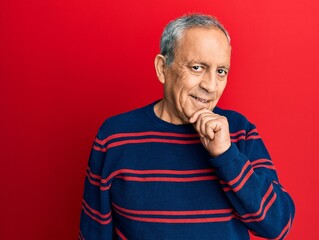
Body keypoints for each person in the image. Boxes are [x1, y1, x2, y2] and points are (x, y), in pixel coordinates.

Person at [79, 14, 295, 240]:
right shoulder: (115, 137)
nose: (210, 86)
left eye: (221, 71)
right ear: (163, 68)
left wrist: (226, 155)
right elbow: (93, 233)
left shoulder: (240, 132)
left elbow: (278, 226)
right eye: (197, 67)